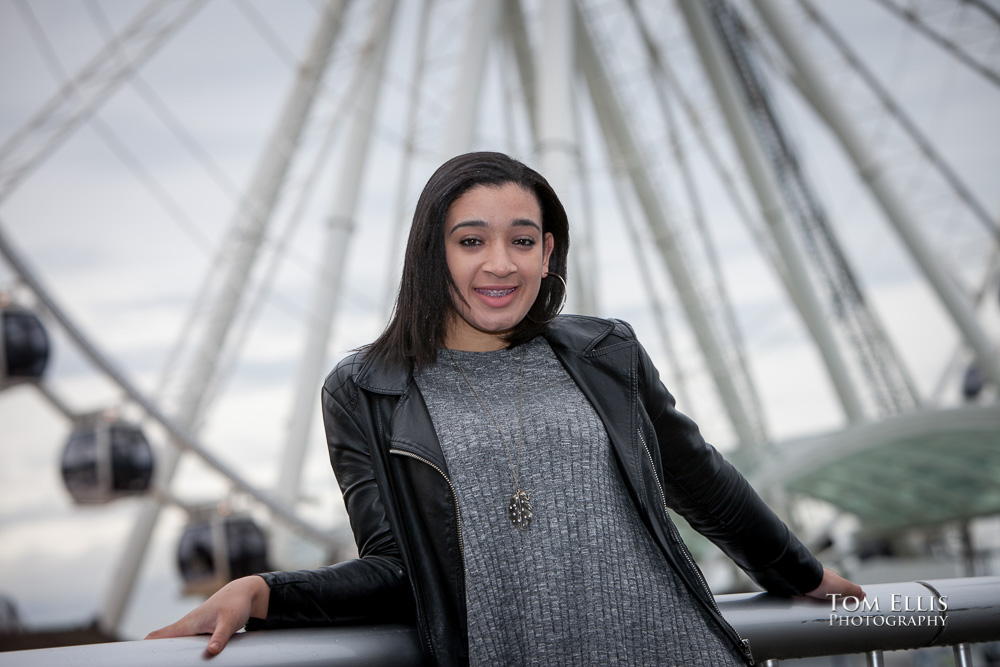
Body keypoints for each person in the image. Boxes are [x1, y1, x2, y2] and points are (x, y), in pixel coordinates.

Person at [148, 151, 863, 665]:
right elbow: (400, 568)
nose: (501, 264)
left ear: (548, 252)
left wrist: (801, 574)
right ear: (432, 253)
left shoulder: (603, 351)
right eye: (472, 241)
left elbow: (698, 475)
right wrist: (265, 590)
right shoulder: (366, 388)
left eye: (523, 240)